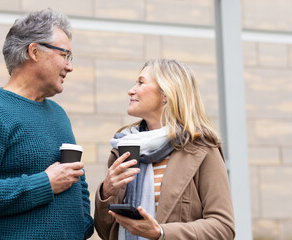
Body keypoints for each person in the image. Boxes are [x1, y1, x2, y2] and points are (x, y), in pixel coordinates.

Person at [0, 8, 93, 240]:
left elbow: (76, 180)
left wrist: (83, 225)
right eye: (65, 55)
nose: (70, 66)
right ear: (34, 51)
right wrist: (44, 184)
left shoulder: (58, 113)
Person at [94, 59, 235, 240]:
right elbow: (106, 231)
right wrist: (107, 192)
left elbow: (223, 227)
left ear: (167, 94)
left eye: (141, 82)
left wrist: (161, 233)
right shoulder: (123, 148)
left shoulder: (201, 149)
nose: (131, 90)